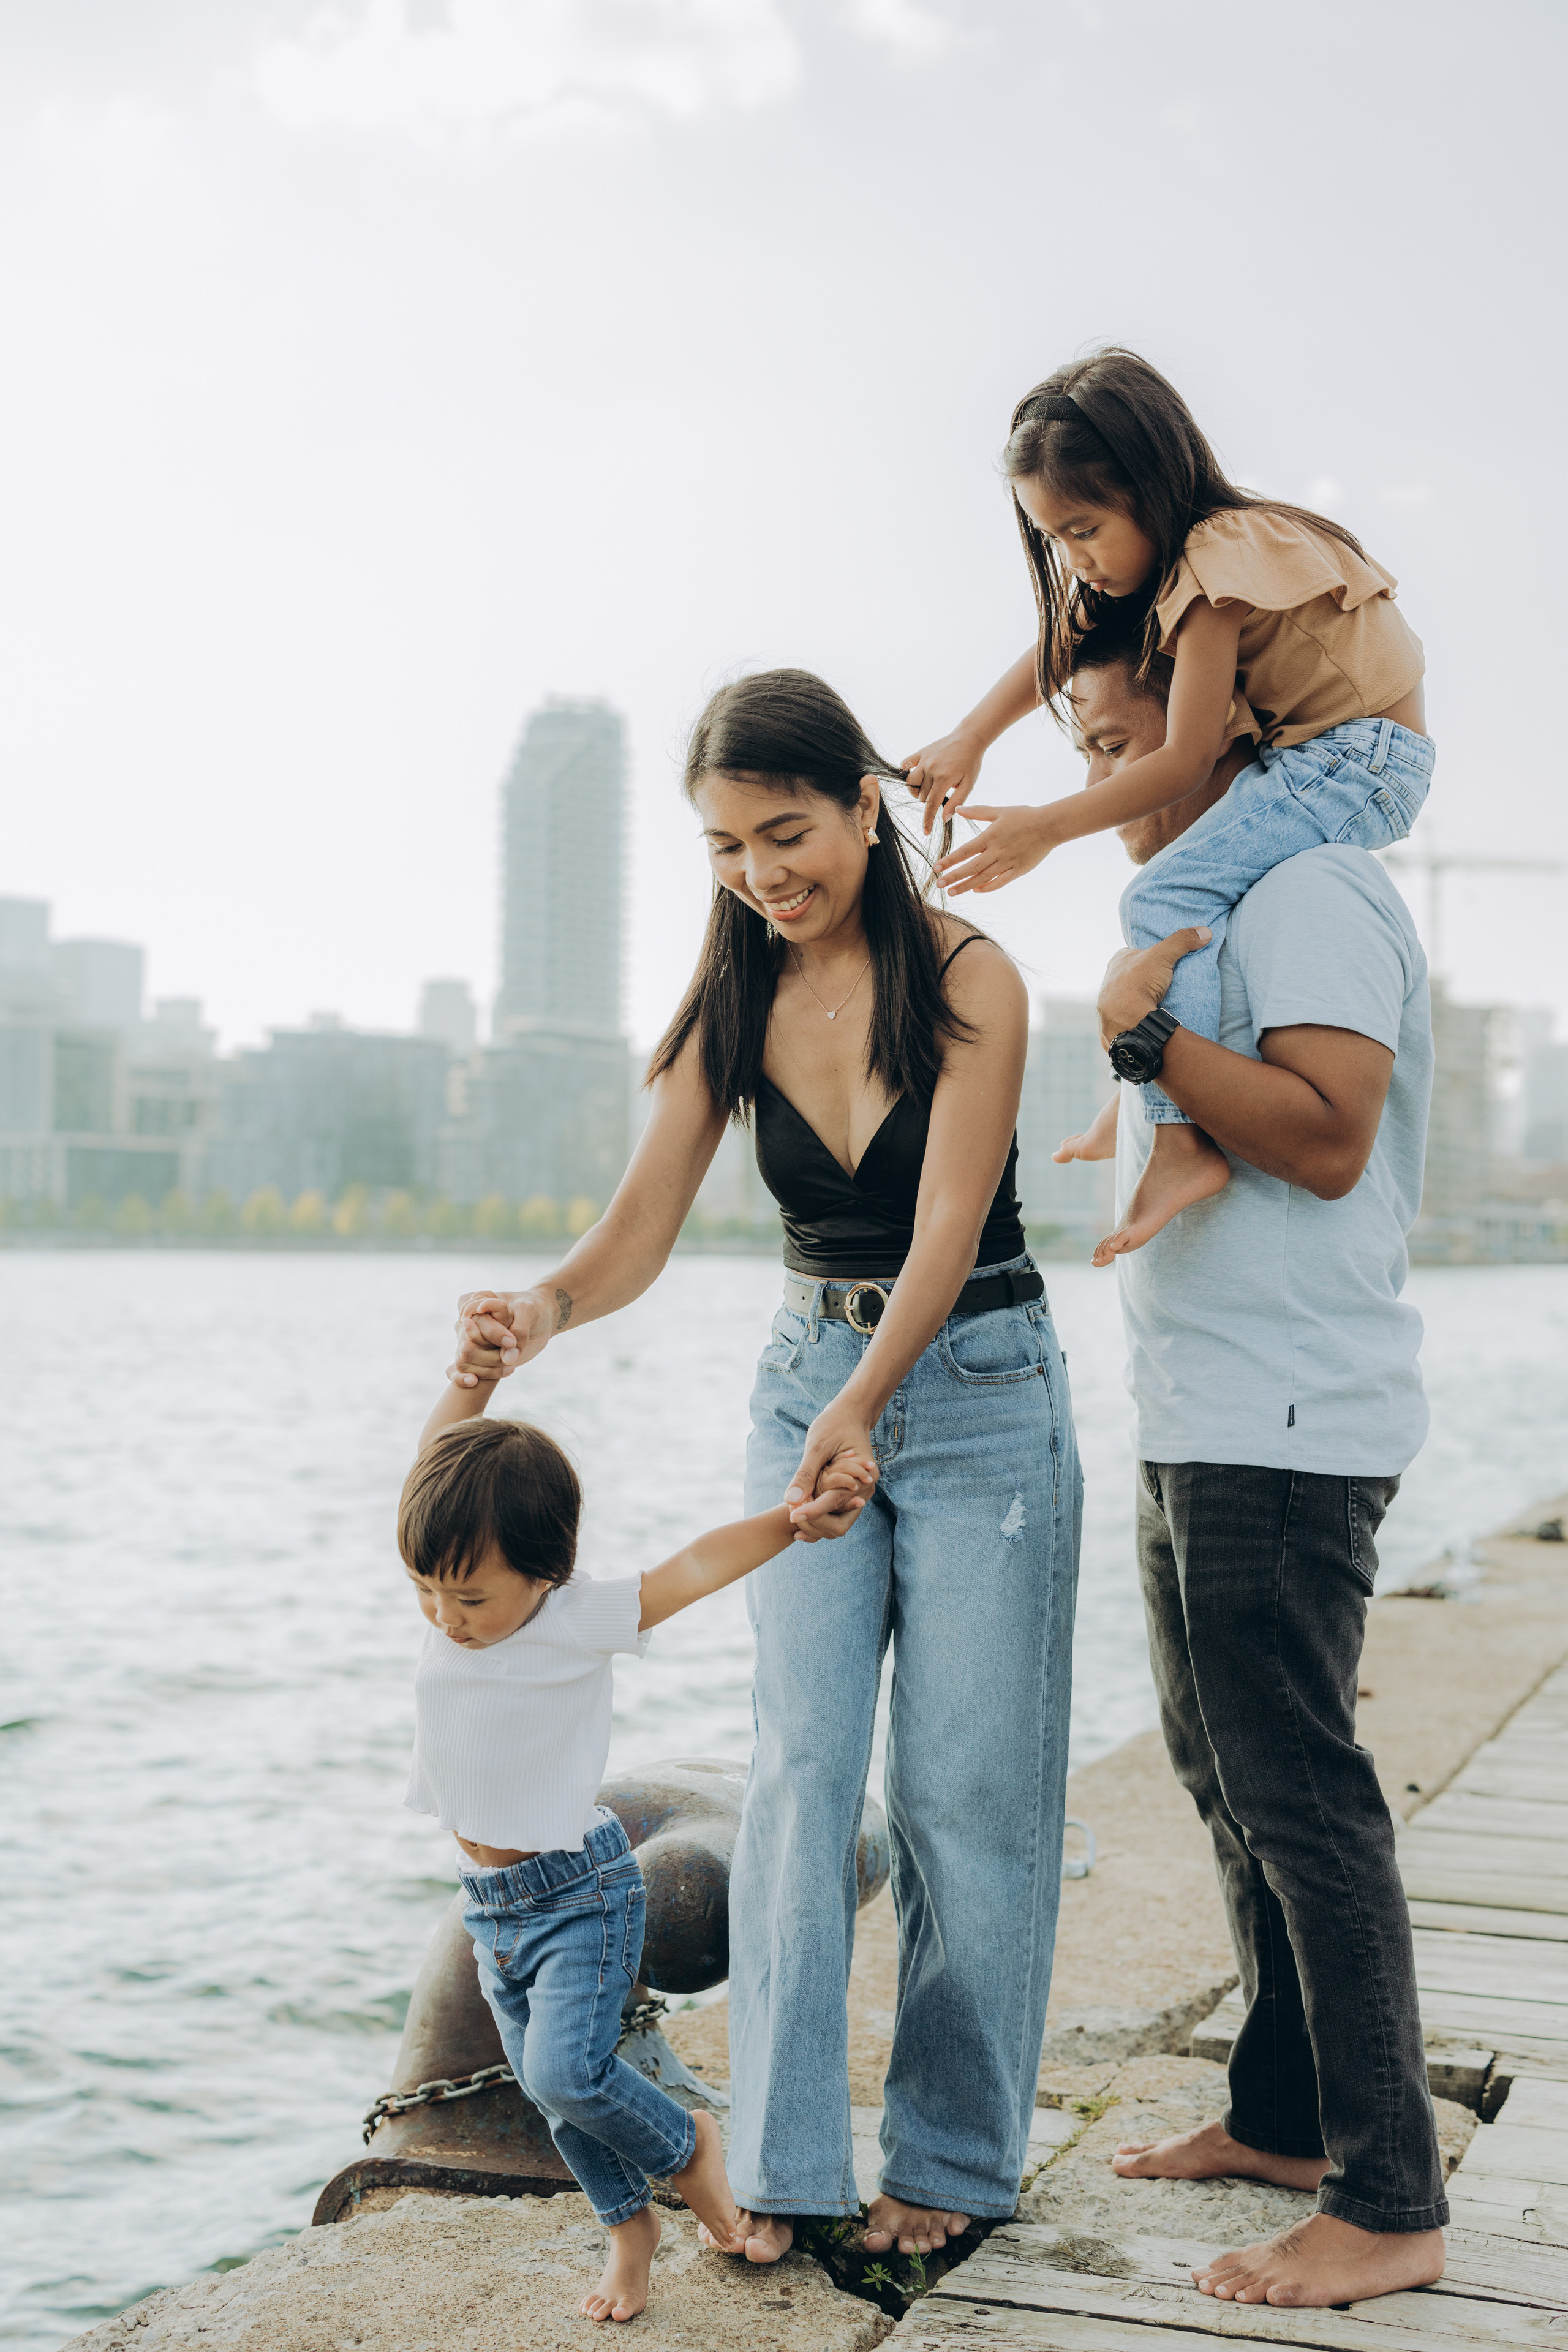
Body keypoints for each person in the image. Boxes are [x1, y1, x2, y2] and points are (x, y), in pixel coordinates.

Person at [450, 668, 1082, 2267]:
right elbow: (639, 1227)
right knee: (801, 1777)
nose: (759, 873)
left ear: (868, 808)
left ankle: (950, 2161)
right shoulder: (728, 1000)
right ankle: (794, 2168)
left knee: (967, 1795)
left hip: (980, 1386)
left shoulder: (977, 981)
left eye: (785, 833)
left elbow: (947, 1227)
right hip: (811, 1384)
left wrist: (871, 1402)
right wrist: (542, 1310)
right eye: (727, 848)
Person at [1054, 616, 1446, 2310]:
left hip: (1288, 1422)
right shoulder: (1217, 917)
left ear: (1226, 734)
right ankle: (1286, 2120)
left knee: (1304, 1801)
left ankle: (1389, 2197)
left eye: (1122, 741)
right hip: (1204, 1410)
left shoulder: (1311, 894)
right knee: (1227, 1784)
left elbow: (1331, 1139)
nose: (1106, 784)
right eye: (1080, 751)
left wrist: (1142, 1045)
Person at [902, 345, 1434, 1257]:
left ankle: (1180, 1140)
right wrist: (969, 738)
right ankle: (1147, 1100)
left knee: (1161, 897)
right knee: (1203, 900)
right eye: (1054, 538)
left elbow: (1186, 758)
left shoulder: (1216, 560)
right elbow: (1062, 644)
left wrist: (1046, 830)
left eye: (1084, 530)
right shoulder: (1187, 555)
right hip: (1342, 754)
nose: (1075, 559)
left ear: (1149, 490)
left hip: (1356, 762)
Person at [398, 1351, 870, 2321]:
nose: (446, 1618)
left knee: (571, 2070)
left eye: (471, 1599)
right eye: (428, 1594)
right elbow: (429, 1468)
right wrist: (473, 1381)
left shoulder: (571, 1620)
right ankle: (630, 2232)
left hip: (578, 1894)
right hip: (490, 1908)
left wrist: (789, 1522)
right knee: (547, 2088)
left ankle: (690, 2149)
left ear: (545, 1574)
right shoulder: (451, 1594)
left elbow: (690, 1569)